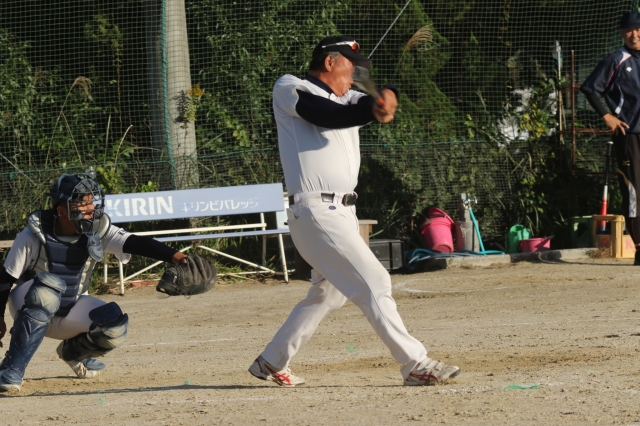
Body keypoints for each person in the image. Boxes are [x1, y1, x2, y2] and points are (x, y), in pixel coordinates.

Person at [248, 36, 461, 387]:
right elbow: (326, 115)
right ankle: (415, 363)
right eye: (350, 66)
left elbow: (368, 102)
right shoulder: (290, 87)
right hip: (316, 210)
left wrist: (387, 97)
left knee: (329, 292)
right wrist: (372, 109)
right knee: (375, 280)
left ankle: (271, 361)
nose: (354, 75)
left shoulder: (347, 97)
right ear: (329, 62)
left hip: (342, 211)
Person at [0, 173, 188, 392]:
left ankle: (74, 352)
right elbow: (4, 279)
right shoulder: (33, 234)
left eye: (91, 202)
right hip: (27, 305)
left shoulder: (97, 230)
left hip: (69, 308)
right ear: (61, 211)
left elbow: (135, 242)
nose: (91, 209)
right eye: (83, 204)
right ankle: (11, 369)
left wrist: (178, 257)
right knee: (47, 292)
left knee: (114, 325)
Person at [581, 11, 640, 264]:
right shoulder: (616, 59)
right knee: (635, 193)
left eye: (638, 29)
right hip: (630, 135)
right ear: (621, 33)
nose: (634, 35)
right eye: (628, 30)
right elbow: (590, 88)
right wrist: (607, 116)